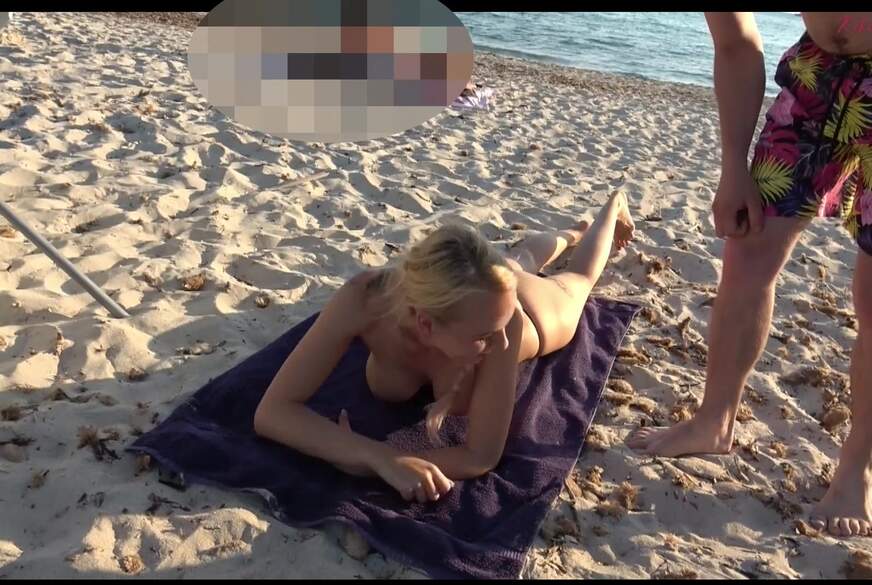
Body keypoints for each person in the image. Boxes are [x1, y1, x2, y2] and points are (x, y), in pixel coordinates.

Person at [627, 12, 872, 538]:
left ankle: (857, 469)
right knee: (747, 251)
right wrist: (733, 167)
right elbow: (736, 43)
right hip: (816, 76)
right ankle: (714, 420)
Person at [254, 191, 635, 503]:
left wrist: (375, 459)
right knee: (517, 262)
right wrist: (376, 456)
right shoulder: (365, 298)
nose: (501, 343)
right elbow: (272, 412)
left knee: (574, 278)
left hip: (531, 312)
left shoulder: (506, 328)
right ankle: (569, 233)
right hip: (479, 301)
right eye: (484, 336)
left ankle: (608, 208)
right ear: (425, 324)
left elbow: (481, 455)